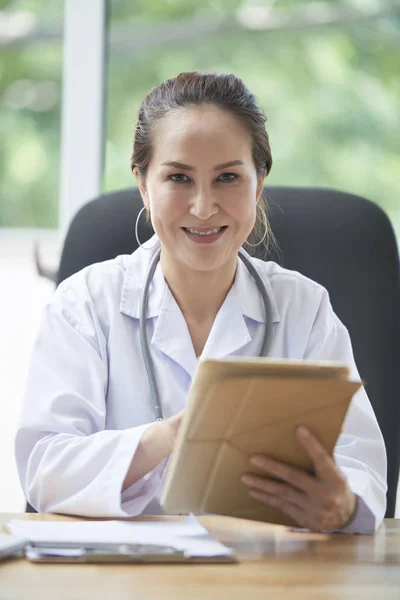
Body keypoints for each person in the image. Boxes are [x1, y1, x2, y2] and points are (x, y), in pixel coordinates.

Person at [15, 72, 386, 533]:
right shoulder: (86, 302)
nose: (204, 206)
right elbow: (45, 469)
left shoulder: (303, 308)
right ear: (144, 185)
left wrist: (342, 506)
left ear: (259, 183)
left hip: (269, 575)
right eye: (178, 178)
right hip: (125, 577)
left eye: (228, 177)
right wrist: (171, 437)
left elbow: (362, 469)